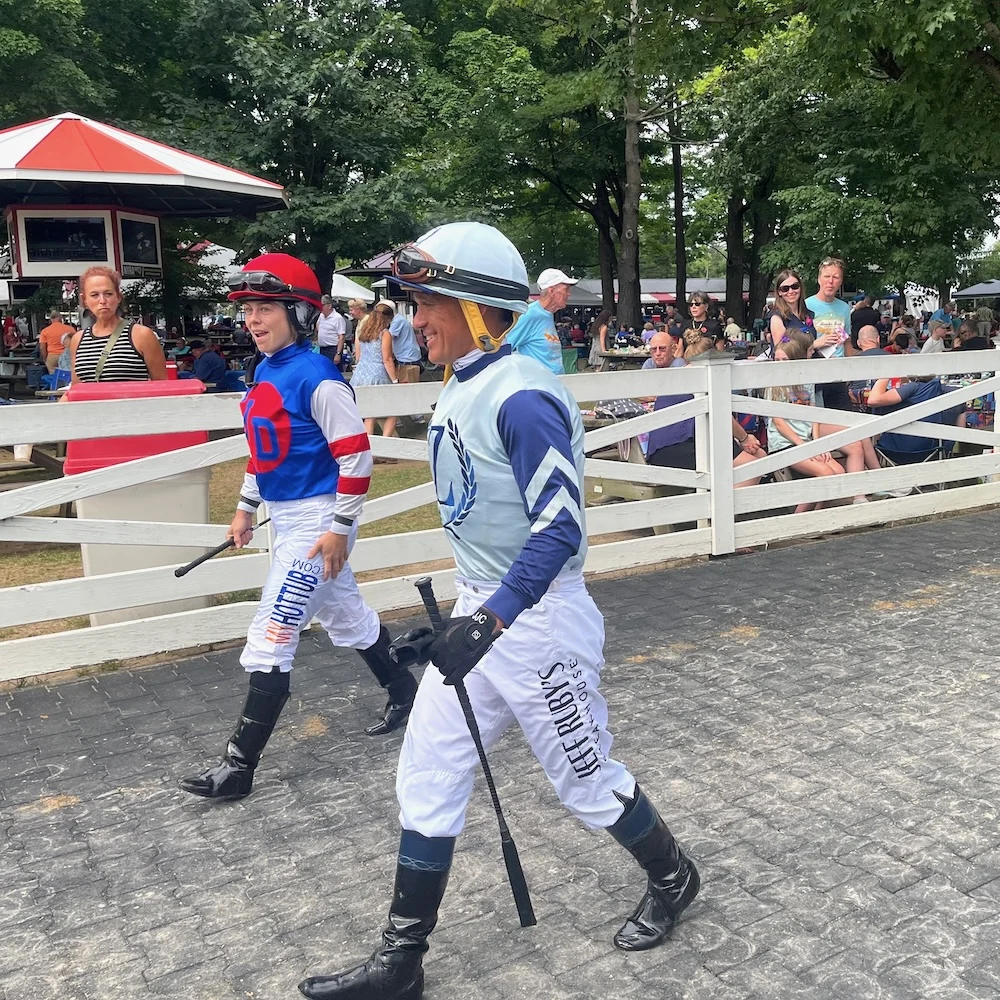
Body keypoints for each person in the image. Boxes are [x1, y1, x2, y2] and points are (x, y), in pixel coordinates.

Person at [298, 223, 700, 999]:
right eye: (413, 302)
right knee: (428, 770)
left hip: (538, 616)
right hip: (486, 609)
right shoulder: (465, 380)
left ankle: (675, 876)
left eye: (426, 302)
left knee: (585, 779)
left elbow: (561, 524)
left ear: (479, 305)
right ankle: (402, 961)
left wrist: (493, 619)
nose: (415, 319)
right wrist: (469, 615)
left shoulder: (522, 396)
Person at [179, 254, 418, 803]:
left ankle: (238, 765)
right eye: (249, 310)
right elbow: (264, 451)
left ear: (296, 312)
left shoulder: (319, 378)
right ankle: (404, 691)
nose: (254, 320)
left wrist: (338, 529)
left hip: (319, 521)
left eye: (265, 308)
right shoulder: (264, 371)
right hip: (287, 519)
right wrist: (244, 507)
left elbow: (357, 459)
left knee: (271, 634)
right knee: (347, 615)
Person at [645, 330, 764, 485]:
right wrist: (745, 438)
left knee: (759, 455)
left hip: (688, 441)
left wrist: (743, 440)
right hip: (675, 446)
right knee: (753, 466)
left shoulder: (681, 372)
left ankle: (733, 500)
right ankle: (723, 507)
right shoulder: (703, 377)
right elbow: (722, 415)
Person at [766, 332, 845, 511]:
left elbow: (813, 415)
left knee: (839, 473)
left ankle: (816, 518)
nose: (780, 364)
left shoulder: (806, 381)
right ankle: (797, 519)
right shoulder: (773, 385)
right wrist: (804, 446)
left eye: (784, 360)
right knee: (825, 473)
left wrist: (817, 444)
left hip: (807, 441)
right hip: (785, 443)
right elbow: (779, 423)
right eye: (776, 360)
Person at [69, 267, 167, 383]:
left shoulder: (141, 335)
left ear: (118, 297)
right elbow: (76, 389)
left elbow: (162, 384)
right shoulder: (78, 339)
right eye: (94, 295)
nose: (102, 300)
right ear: (84, 299)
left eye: (108, 294)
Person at [867, 374, 968, 465]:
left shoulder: (911, 389)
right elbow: (961, 430)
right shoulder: (950, 392)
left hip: (892, 450)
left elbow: (873, 400)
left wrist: (886, 373)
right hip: (930, 450)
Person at [507, 268, 577, 375]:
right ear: (551, 291)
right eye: (566, 289)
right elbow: (504, 346)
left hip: (554, 384)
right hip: (538, 386)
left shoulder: (548, 314)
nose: (569, 294)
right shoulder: (529, 314)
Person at [804, 257, 853, 411]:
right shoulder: (806, 305)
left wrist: (851, 374)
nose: (831, 281)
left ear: (840, 281)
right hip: (814, 372)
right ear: (819, 279)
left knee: (844, 421)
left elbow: (847, 342)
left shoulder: (844, 308)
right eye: (827, 276)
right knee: (818, 423)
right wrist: (817, 343)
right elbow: (795, 344)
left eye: (835, 277)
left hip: (838, 374)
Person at [352, 301, 398, 442]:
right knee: (395, 410)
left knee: (369, 415)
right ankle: (384, 445)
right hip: (378, 373)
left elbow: (358, 356)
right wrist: (395, 380)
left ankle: (370, 450)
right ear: (388, 318)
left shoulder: (363, 331)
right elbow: (387, 359)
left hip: (361, 373)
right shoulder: (384, 334)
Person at [317, 295, 346, 369]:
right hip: (322, 348)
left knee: (333, 371)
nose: (320, 307)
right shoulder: (321, 316)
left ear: (329, 306)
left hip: (333, 349)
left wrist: (338, 353)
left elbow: (341, 337)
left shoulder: (337, 318)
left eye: (322, 305)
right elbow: (317, 324)